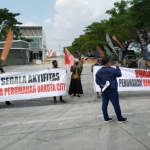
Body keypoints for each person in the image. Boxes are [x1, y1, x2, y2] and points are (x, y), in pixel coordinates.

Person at [96, 57, 127, 123]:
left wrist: (101, 84)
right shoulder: (112, 70)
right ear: (108, 62)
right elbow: (119, 74)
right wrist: (117, 67)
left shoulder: (99, 71)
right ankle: (120, 118)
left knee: (104, 104)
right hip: (112, 89)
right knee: (116, 104)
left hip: (104, 90)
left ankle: (106, 118)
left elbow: (97, 80)